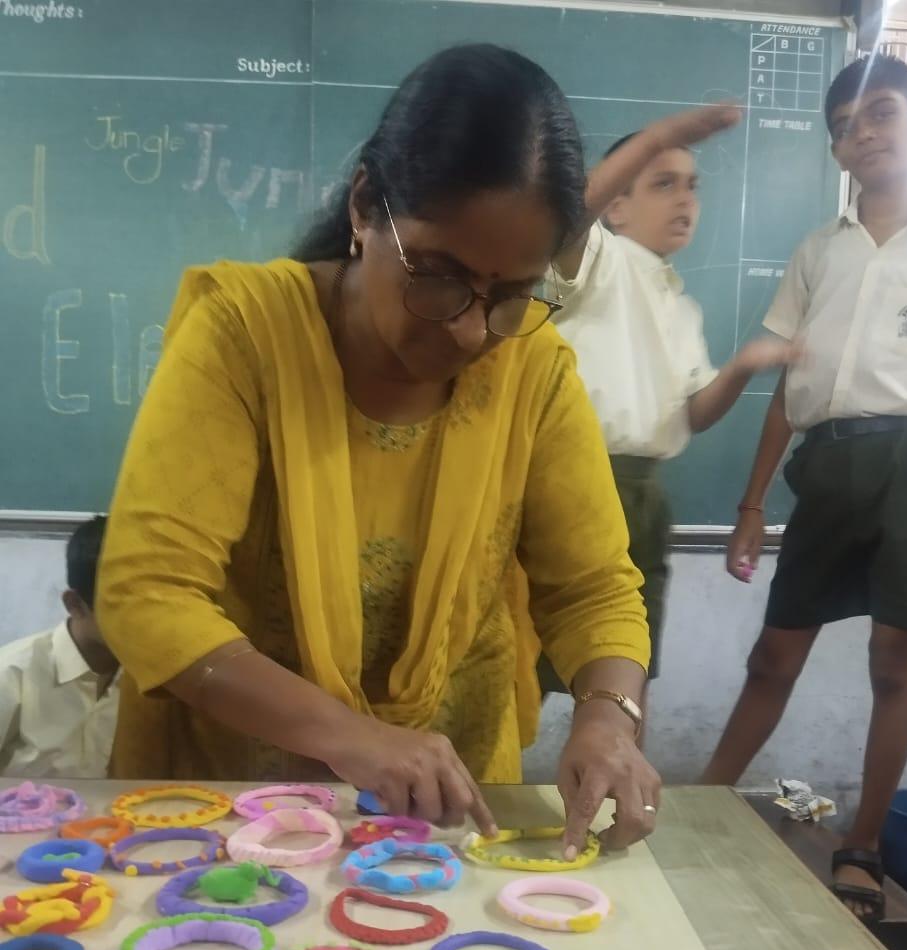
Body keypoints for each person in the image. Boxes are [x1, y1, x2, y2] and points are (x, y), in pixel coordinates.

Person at [96, 45, 733, 852]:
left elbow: (593, 589)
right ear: (366, 206)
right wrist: (351, 736)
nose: (468, 330)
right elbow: (149, 594)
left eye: (510, 295)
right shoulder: (246, 334)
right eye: (437, 276)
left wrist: (609, 718)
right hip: (239, 809)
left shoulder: (531, 372)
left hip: (449, 813)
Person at [702, 55, 907, 920]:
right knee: (773, 653)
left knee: (894, 660)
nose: (864, 134)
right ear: (835, 149)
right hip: (830, 462)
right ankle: (702, 800)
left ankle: (864, 843)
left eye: (881, 112)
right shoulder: (818, 250)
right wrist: (749, 506)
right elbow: (786, 384)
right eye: (845, 127)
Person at [542, 131, 796, 707]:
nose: (685, 200)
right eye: (663, 184)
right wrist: (664, 133)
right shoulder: (598, 260)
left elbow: (697, 412)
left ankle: (620, 764)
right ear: (616, 207)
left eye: (692, 186)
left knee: (630, 667)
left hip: (644, 496)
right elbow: (573, 217)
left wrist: (742, 367)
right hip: (574, 485)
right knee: (531, 657)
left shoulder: (682, 306)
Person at [0, 516, 119, 778]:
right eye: (122, 608)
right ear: (75, 604)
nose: (145, 622)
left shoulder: (158, 680)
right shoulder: (12, 673)